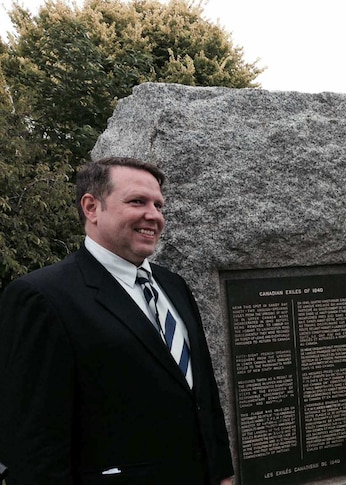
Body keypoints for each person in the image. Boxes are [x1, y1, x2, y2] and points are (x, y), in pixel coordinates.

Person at [0, 157, 234, 484]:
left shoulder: (173, 285)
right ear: (92, 207)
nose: (153, 215)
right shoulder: (41, 297)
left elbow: (203, 393)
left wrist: (222, 472)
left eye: (158, 205)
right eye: (137, 201)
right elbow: (32, 441)